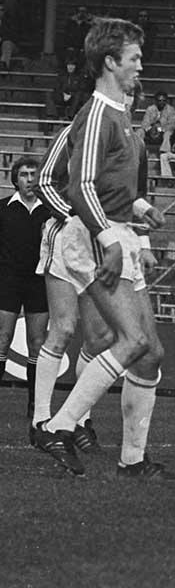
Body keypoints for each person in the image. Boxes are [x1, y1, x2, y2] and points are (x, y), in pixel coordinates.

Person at [32, 17, 170, 479]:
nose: (140, 67)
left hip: (117, 230)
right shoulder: (95, 114)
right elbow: (81, 186)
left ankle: (133, 459)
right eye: (134, 58)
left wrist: (141, 207)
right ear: (110, 61)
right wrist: (109, 239)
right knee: (129, 340)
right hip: (95, 235)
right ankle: (59, 426)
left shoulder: (120, 116)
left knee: (150, 352)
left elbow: (113, 184)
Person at [0, 157, 51, 414]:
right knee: (2, 338)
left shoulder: (50, 210)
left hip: (38, 283)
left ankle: (35, 404)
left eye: (33, 174)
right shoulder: (3, 208)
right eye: (24, 174)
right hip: (7, 281)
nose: (29, 179)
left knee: (37, 343)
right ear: (15, 179)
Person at [44, 58, 91, 122]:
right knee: (48, 94)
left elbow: (81, 89)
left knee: (78, 95)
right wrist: (63, 94)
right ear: (66, 66)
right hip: (62, 96)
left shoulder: (80, 76)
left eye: (72, 65)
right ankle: (53, 115)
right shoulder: (61, 75)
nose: (70, 67)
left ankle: (70, 116)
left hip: (73, 98)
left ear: (75, 66)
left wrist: (71, 95)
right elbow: (57, 87)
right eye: (69, 65)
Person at [141, 91, 175, 155]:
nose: (161, 102)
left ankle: (164, 152)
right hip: (151, 130)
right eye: (159, 100)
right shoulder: (150, 109)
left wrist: (160, 129)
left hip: (164, 131)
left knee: (168, 134)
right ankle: (138, 150)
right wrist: (150, 128)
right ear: (156, 101)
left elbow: (172, 124)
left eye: (164, 100)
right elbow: (145, 122)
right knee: (140, 131)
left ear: (166, 101)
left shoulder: (171, 109)